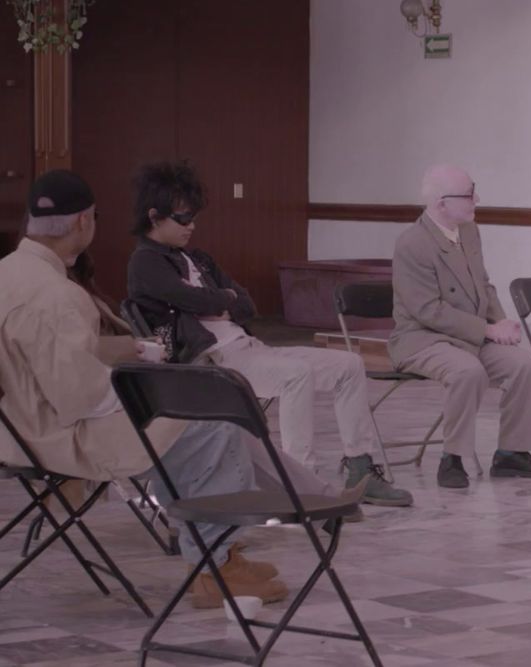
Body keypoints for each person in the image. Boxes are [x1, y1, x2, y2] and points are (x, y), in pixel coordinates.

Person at [0, 170, 332, 609]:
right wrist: (151, 387)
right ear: (84, 222)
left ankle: (274, 520)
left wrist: (126, 351)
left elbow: (41, 357)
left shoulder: (9, 272)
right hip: (59, 435)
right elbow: (82, 398)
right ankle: (218, 565)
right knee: (212, 425)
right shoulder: (58, 295)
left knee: (192, 418)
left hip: (18, 425)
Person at [125, 162, 412, 508]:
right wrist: (220, 299)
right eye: (183, 219)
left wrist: (222, 301)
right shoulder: (145, 263)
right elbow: (190, 298)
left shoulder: (198, 259)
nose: (192, 226)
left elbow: (247, 303)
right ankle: (300, 488)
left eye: (194, 217)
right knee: (295, 376)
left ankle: (361, 468)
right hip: (211, 361)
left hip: (249, 348)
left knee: (348, 364)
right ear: (155, 216)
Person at [390, 164, 531, 489]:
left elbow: (483, 285)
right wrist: (486, 330)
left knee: (523, 363)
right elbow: (426, 310)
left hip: (469, 336)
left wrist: (501, 322)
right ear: (441, 204)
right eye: (468, 195)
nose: (476, 199)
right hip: (423, 339)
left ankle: (512, 453)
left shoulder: (469, 231)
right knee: (468, 371)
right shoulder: (412, 244)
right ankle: (451, 458)